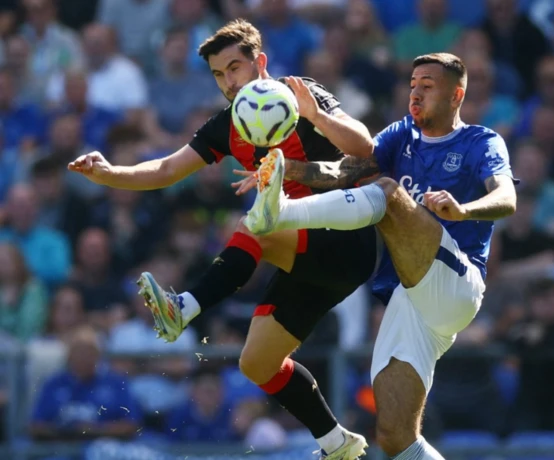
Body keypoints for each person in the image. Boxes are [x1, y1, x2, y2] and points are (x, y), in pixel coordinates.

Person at [68, 19, 375, 460]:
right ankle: (337, 443)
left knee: (257, 221)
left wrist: (316, 115)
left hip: (348, 237)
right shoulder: (227, 124)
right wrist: (109, 172)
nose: (229, 81)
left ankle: (184, 308)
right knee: (257, 363)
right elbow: (166, 170)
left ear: (260, 63)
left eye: (235, 67)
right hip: (307, 260)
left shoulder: (299, 93)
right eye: (219, 74)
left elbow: (364, 147)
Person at [243, 53, 518, 459]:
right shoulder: (400, 134)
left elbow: (506, 196)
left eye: (427, 85)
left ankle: (280, 212)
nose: (415, 93)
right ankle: (278, 205)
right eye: (412, 84)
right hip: (410, 301)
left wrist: (464, 209)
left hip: (456, 282)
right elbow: (347, 171)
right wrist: (288, 169)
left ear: (456, 95)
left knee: (388, 195)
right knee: (395, 438)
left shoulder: (481, 141)